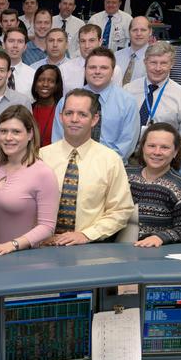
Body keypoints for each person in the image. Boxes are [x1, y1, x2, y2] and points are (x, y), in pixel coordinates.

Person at [40, 90, 134, 246]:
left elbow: (121, 210)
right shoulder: (41, 157)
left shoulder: (110, 160)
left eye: (82, 114)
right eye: (69, 113)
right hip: (44, 245)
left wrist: (86, 235)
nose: (74, 119)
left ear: (94, 119)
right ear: (61, 117)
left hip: (89, 247)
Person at [0, 105, 59, 254]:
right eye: (3, 131)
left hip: (23, 255)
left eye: (16, 132)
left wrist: (12, 245)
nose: (8, 138)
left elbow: (47, 227)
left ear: (30, 134)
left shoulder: (43, 173)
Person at [51, 48, 140, 160]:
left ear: (113, 71)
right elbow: (58, 140)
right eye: (92, 67)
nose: (97, 72)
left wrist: (100, 165)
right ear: (85, 70)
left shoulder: (128, 102)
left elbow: (126, 145)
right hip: (71, 164)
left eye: (104, 68)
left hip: (112, 165)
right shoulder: (66, 101)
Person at [128, 123, 181, 247]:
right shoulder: (125, 175)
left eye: (165, 147)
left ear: (175, 152)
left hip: (150, 253)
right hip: (110, 249)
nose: (157, 152)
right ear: (142, 148)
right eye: (151, 146)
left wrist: (161, 237)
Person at [125, 40, 181, 141]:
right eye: (153, 63)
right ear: (145, 62)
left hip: (162, 150)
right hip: (128, 149)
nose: (158, 68)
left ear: (172, 64)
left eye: (163, 63)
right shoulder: (128, 90)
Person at [60, 23, 102, 93]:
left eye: (91, 40)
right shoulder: (64, 69)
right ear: (79, 43)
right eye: (83, 41)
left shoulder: (113, 70)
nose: (87, 46)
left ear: (100, 42)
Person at [113, 15, 153, 88]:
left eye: (143, 30)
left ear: (150, 32)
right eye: (134, 30)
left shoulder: (156, 59)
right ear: (129, 32)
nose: (138, 34)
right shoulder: (116, 56)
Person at [30, 64, 63, 148]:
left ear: (57, 86)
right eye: (41, 80)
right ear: (35, 84)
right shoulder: (28, 109)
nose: (45, 84)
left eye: (51, 81)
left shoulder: (62, 111)